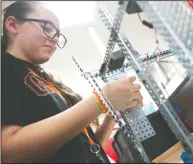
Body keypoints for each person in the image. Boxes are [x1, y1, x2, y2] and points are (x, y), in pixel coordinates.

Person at [1, 1, 143, 163]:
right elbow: (6, 151)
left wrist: (112, 114)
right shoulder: (5, 67)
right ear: (13, 25)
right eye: (47, 28)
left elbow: (86, 149)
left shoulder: (45, 81)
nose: (54, 40)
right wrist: (101, 100)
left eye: (57, 35)